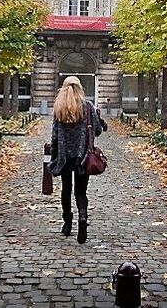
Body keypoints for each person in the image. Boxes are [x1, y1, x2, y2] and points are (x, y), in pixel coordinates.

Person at [49, 76, 103, 244]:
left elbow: (55, 135)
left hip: (64, 157)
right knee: (80, 191)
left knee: (66, 190)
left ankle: (67, 223)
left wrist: (53, 156)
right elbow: (98, 130)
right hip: (83, 156)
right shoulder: (87, 107)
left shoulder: (59, 109)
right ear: (80, 89)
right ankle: (82, 217)